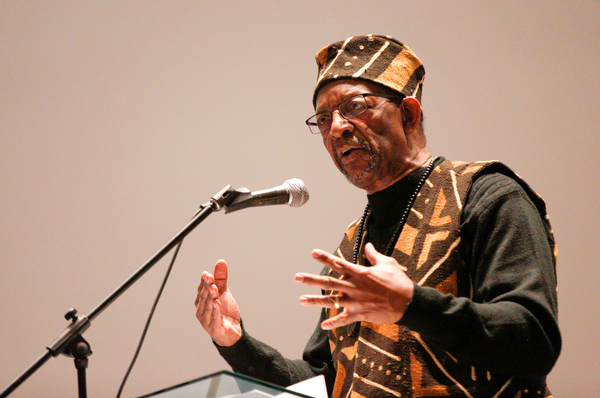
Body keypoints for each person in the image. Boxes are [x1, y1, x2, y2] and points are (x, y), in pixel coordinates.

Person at [195, 35, 561, 398]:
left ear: (408, 113)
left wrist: (412, 305)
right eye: (323, 119)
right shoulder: (350, 249)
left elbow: (533, 341)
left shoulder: (486, 196)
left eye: (355, 106)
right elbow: (327, 383)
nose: (337, 127)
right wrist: (238, 343)